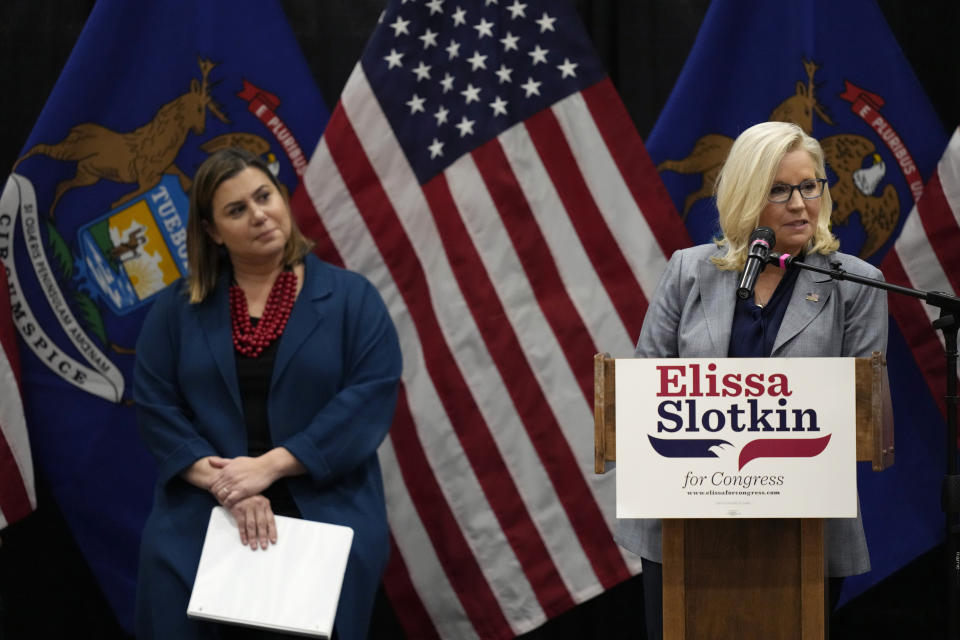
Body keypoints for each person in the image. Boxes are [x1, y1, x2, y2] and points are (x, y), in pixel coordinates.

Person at [615, 121, 887, 639]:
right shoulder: (688, 272)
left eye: (810, 186)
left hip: (801, 529)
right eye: (779, 190)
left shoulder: (855, 284)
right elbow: (640, 389)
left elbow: (862, 409)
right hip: (684, 520)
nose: (800, 203)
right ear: (745, 194)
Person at [133, 148, 402, 639]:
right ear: (213, 232)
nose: (259, 215)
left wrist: (270, 467)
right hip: (204, 504)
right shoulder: (177, 308)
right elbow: (155, 405)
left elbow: (369, 397)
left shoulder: (350, 298)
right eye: (237, 210)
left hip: (322, 500)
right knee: (170, 580)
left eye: (265, 196)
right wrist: (229, 485)